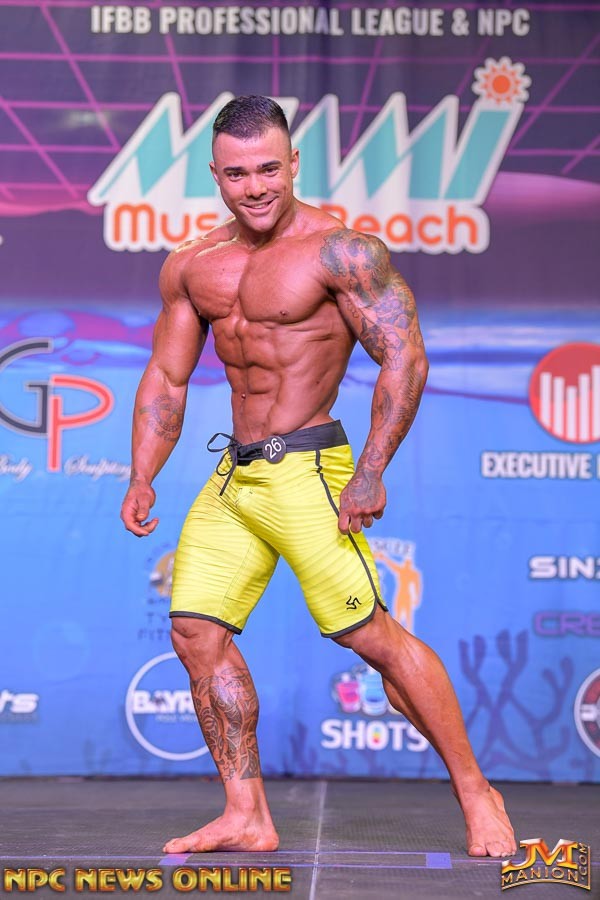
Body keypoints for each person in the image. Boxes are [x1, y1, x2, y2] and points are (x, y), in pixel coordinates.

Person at [121, 95, 516, 859]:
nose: (256, 187)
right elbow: (167, 377)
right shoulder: (193, 265)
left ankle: (477, 791)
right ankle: (247, 814)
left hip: (310, 468)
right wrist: (143, 473)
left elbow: (403, 357)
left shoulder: (342, 253)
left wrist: (371, 471)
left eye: (269, 169)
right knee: (195, 632)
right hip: (236, 478)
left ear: (295, 163)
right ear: (215, 175)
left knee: (372, 637)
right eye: (238, 174)